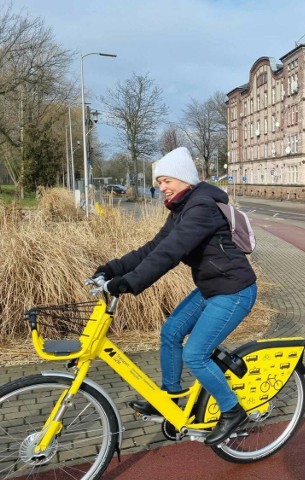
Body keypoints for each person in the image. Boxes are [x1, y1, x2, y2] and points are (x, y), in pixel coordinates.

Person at [93, 147, 257, 446]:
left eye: (166, 180)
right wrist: (112, 268)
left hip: (234, 291)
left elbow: (171, 252)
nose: (162, 187)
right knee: (170, 332)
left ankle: (232, 411)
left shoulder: (202, 207)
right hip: (212, 287)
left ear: (184, 178)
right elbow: (153, 248)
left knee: (195, 354)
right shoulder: (183, 207)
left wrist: (128, 283)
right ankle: (170, 398)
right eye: (159, 183)